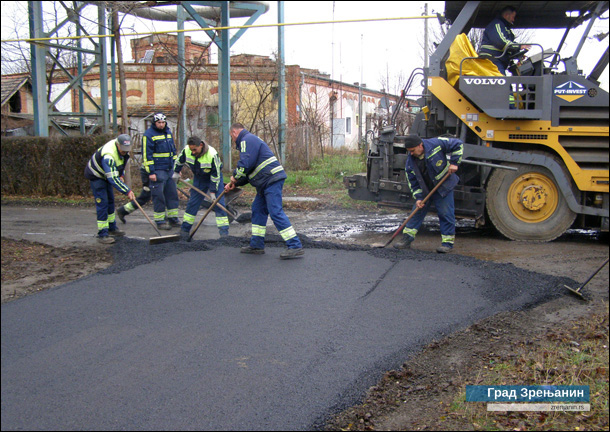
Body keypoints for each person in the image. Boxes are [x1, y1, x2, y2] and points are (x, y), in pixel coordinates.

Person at [225, 123, 304, 259]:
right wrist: (236, 183)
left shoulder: (245, 140)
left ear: (234, 133)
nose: (233, 140)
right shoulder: (251, 141)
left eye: (231, 137)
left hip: (271, 179)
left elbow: (244, 165)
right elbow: (250, 171)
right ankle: (256, 245)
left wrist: (235, 176)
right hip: (265, 182)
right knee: (258, 210)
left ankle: (295, 245)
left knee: (275, 211)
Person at [394, 134, 463, 253]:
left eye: (412, 150)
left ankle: (447, 244)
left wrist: (454, 163)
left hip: (443, 186)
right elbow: (413, 183)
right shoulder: (410, 163)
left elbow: (458, 144)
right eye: (409, 151)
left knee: (446, 213)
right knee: (417, 211)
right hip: (426, 190)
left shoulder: (436, 144)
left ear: (420, 145)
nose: (411, 153)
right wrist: (419, 198)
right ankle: (406, 239)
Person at [84, 134, 136, 244]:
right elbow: (112, 178)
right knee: (103, 203)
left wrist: (121, 174)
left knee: (111, 201)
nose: (124, 152)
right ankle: (102, 234)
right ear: (118, 145)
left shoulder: (124, 152)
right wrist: (127, 191)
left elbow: (120, 164)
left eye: (127, 150)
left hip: (106, 175)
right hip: (96, 176)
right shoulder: (108, 155)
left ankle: (112, 228)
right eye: (123, 149)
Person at [174, 136, 230, 238]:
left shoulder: (212, 155)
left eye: (195, 150)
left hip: (213, 178)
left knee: (218, 204)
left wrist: (213, 192)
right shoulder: (187, 150)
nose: (193, 152)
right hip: (199, 179)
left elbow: (216, 175)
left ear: (201, 145)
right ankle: (184, 231)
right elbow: (179, 161)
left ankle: (224, 234)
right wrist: (176, 172)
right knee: (192, 203)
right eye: (191, 150)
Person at [142, 112, 180, 230]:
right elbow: (147, 155)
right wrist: (151, 172)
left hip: (169, 170)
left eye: (163, 122)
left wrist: (176, 169)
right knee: (159, 196)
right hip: (157, 170)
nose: (161, 125)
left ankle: (173, 219)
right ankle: (160, 221)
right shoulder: (148, 135)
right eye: (159, 123)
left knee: (172, 194)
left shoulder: (168, 132)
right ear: (155, 123)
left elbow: (173, 152)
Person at [478, 5, 530, 75]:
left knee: (505, 83)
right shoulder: (496, 25)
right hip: (491, 60)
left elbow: (509, 44)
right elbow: (501, 42)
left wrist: (518, 54)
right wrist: (519, 46)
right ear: (506, 15)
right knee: (502, 82)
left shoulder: (506, 29)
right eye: (513, 17)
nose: (513, 20)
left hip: (498, 60)